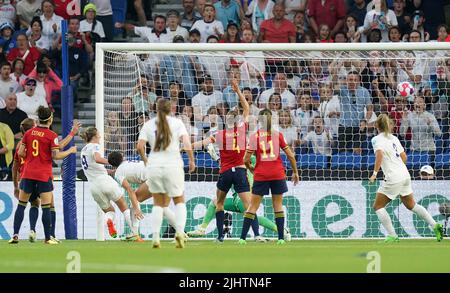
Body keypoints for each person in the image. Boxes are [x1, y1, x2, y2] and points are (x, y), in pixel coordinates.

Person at [192, 79, 260, 242]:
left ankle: (220, 236)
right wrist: (237, 91)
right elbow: (247, 108)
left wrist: (184, 146)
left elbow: (201, 144)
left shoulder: (220, 135)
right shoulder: (242, 129)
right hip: (240, 171)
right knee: (249, 206)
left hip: (226, 173)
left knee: (218, 203)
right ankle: (257, 235)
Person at [369, 114, 444, 243]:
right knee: (411, 205)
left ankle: (392, 235)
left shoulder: (376, 139)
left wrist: (375, 173)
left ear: (376, 125)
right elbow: (404, 157)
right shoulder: (394, 138)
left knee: (378, 206)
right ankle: (435, 225)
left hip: (393, 176)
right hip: (404, 174)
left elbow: (379, 155)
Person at [9, 106, 77, 244]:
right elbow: (56, 156)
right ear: (50, 119)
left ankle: (15, 235)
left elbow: (21, 153)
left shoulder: (29, 133)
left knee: (21, 205)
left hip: (27, 173)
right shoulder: (51, 135)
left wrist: (33, 155)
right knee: (46, 206)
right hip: (43, 174)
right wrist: (70, 151)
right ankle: (47, 238)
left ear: (38, 119)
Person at [187, 155, 292, 241]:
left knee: (251, 216)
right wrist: (218, 159)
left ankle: (279, 230)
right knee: (215, 203)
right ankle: (202, 229)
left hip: (247, 195)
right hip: (236, 197)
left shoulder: (251, 159)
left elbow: (244, 162)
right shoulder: (234, 160)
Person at [137, 99, 195, 248]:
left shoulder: (148, 124)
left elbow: (139, 146)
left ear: (156, 109)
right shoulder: (177, 123)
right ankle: (180, 233)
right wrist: (191, 160)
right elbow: (187, 143)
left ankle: (155, 238)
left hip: (154, 165)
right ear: (172, 109)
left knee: (158, 202)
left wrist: (145, 160)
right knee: (179, 200)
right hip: (173, 165)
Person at [239, 108, 299, 245]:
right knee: (277, 205)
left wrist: (250, 168)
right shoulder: (278, 135)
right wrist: (295, 172)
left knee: (253, 206)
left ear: (259, 121)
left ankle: (242, 239)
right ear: (272, 119)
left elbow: (245, 158)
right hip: (277, 173)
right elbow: (290, 155)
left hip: (261, 174)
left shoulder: (255, 137)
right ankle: (281, 239)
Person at [107, 151, 186, 242]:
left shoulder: (118, 173)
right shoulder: (129, 162)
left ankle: (135, 234)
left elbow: (130, 190)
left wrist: (136, 208)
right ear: (122, 157)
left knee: (136, 198)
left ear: (112, 165)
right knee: (162, 207)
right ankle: (181, 233)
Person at [80, 126, 135, 239]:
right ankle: (135, 233)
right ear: (95, 136)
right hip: (104, 181)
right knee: (124, 206)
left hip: (94, 187)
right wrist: (113, 162)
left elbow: (94, 167)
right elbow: (97, 159)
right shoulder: (94, 146)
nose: (100, 136)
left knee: (110, 211)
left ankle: (109, 221)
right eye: (99, 134)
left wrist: (112, 171)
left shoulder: (83, 151)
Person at [11, 118, 38, 241]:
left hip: (24, 178)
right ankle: (33, 230)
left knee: (21, 205)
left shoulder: (19, 145)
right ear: (32, 128)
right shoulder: (36, 142)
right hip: (38, 176)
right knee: (36, 203)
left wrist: (16, 186)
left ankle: (15, 234)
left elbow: (15, 167)